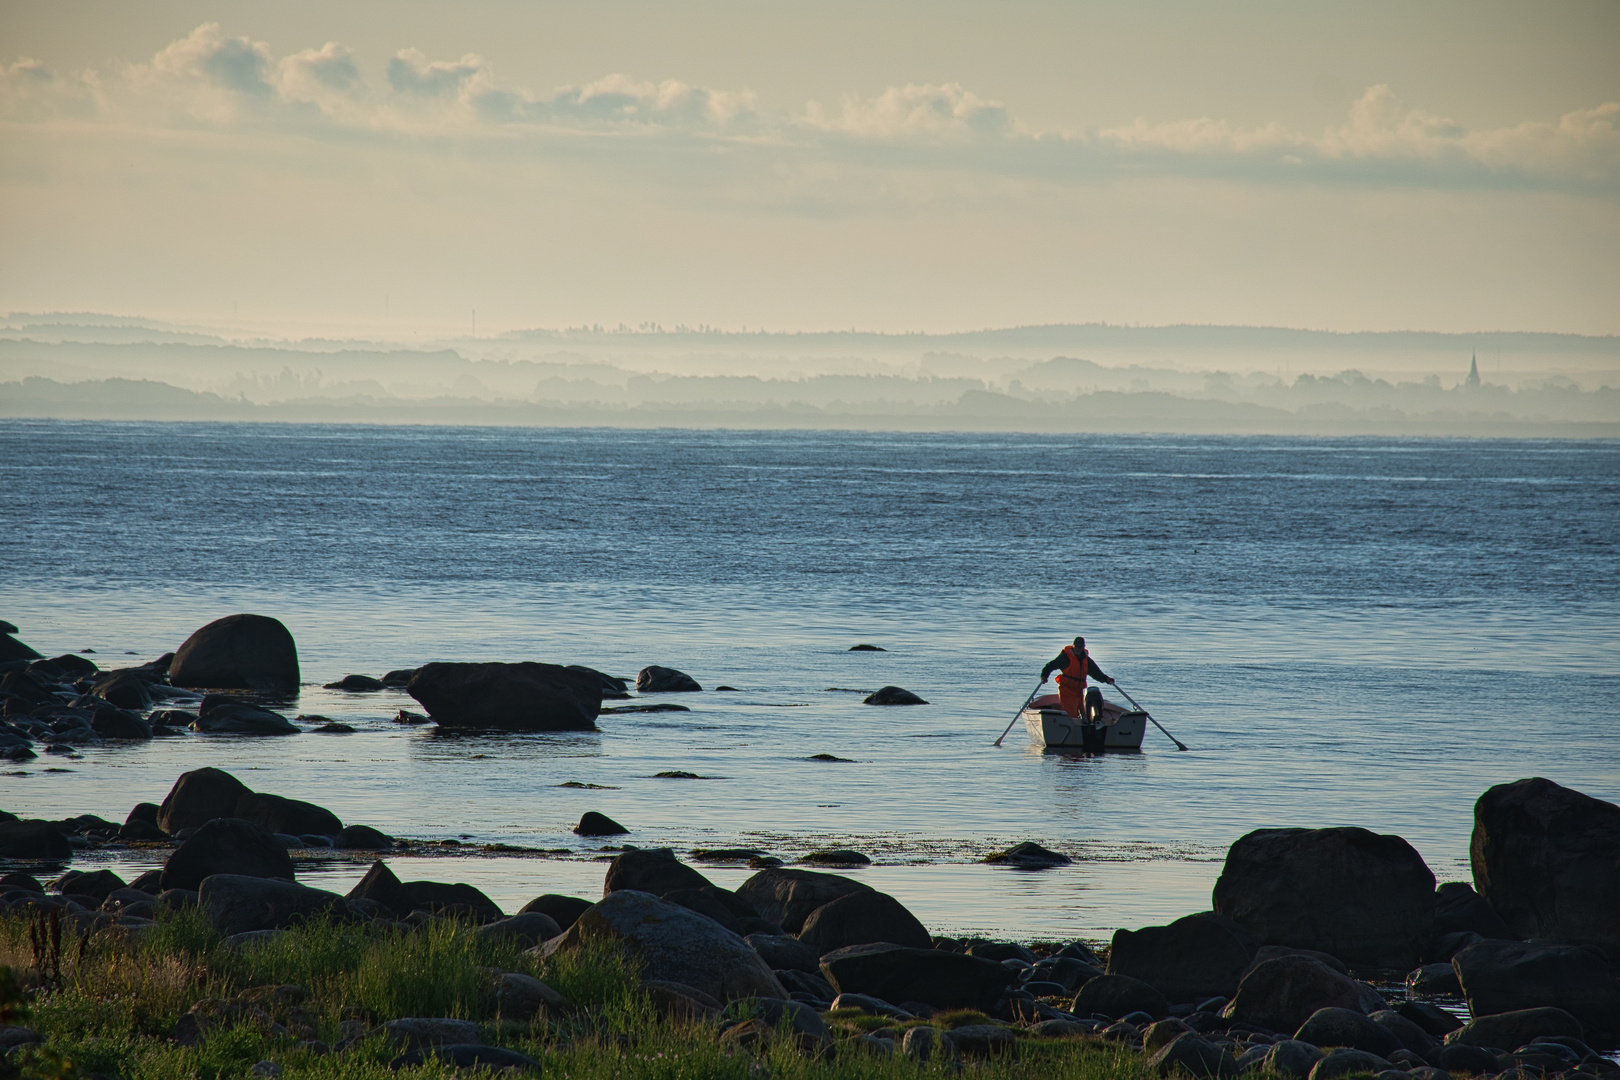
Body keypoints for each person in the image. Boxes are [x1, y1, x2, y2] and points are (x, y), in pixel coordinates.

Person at [1040, 636, 1115, 724]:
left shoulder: (1086, 660)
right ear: (1073, 646)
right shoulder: (1065, 657)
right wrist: (1044, 675)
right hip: (1067, 690)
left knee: (1084, 713)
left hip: (1079, 692)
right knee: (1071, 714)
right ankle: (1073, 730)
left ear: (1084, 647)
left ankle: (1086, 726)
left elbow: (1096, 673)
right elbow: (1051, 665)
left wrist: (1106, 679)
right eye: (1076, 646)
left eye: (1080, 647)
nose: (1078, 649)